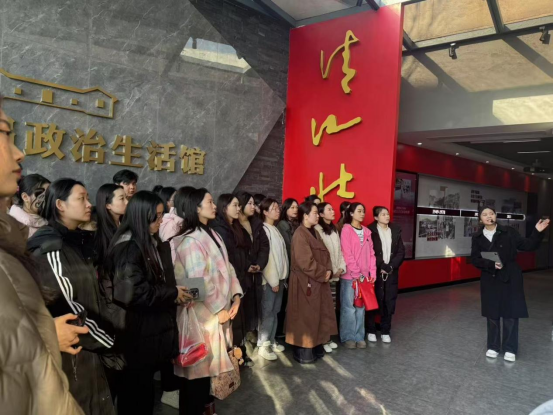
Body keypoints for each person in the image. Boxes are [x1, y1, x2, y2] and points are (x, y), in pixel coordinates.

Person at [0, 97, 84, 414]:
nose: (19, 153)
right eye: (4, 133)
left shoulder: (11, 245)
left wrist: (46, 332)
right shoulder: (43, 244)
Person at [27, 178, 116, 415]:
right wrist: (110, 342)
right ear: (60, 205)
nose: (89, 204)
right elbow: (69, 307)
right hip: (73, 353)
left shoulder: (77, 241)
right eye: (81, 198)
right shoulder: (51, 247)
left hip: (88, 351)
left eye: (88, 198)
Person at [103, 191, 189, 414]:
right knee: (136, 394)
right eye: (156, 216)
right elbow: (134, 293)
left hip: (148, 330)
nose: (160, 221)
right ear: (141, 216)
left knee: (144, 392)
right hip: (135, 332)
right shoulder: (128, 247)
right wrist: (171, 293)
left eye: (161, 215)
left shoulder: (149, 241)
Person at [173, 188, 243, 415]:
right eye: (210, 202)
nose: (214, 206)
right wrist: (217, 309)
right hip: (201, 319)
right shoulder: (189, 240)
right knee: (196, 377)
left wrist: (236, 294)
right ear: (195, 207)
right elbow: (196, 283)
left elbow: (228, 267)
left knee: (207, 378)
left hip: (218, 315)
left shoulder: (212, 233)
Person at [471, 207, 550, 363]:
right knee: (492, 312)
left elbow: (528, 245)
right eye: (485, 214)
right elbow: (475, 259)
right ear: (480, 219)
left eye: (491, 213)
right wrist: (491, 264)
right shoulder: (477, 237)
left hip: (510, 276)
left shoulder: (508, 232)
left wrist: (537, 232)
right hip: (490, 277)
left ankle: (510, 348)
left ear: (495, 216)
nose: (489, 216)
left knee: (511, 312)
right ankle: (493, 346)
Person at [286, 202, 337, 364]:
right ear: (305, 216)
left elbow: (326, 254)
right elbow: (305, 262)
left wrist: (328, 270)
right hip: (305, 282)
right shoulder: (300, 234)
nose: (317, 215)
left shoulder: (315, 232)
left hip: (318, 281)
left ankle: (316, 346)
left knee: (318, 316)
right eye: (314, 212)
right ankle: (304, 350)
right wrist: (324, 272)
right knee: (305, 318)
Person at [211, 194, 253, 365]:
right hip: (229, 282)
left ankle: (238, 355)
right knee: (231, 324)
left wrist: (248, 266)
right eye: (235, 205)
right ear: (224, 207)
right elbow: (227, 259)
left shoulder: (235, 226)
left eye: (239, 205)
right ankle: (234, 358)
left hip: (239, 278)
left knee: (239, 321)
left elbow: (243, 250)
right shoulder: (219, 229)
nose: (238, 208)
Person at [235, 191, 270, 351]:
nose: (253, 207)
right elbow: (236, 250)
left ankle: (251, 338)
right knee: (243, 308)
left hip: (255, 273)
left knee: (254, 307)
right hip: (241, 274)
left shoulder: (256, 223)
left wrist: (259, 264)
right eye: (249, 203)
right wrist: (247, 265)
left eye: (253, 203)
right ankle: (241, 346)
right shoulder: (233, 225)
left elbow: (264, 246)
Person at [340, 202, 377, 350]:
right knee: (348, 307)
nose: (362, 214)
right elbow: (347, 253)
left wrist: (372, 273)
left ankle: (359, 336)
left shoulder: (367, 232)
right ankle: (348, 337)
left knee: (361, 307)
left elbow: (372, 254)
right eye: (359, 211)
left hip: (364, 278)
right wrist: (356, 273)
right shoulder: (346, 230)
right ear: (351, 213)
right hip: (350, 276)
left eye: (363, 211)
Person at [367, 206, 406, 343]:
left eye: (387, 214)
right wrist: (382, 265)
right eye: (383, 214)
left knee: (389, 300)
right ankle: (371, 330)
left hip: (391, 272)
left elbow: (401, 252)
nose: (387, 216)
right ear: (376, 217)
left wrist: (390, 266)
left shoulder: (395, 230)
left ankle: (385, 330)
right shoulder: (370, 231)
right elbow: (370, 251)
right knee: (373, 300)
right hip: (376, 271)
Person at [258, 198, 289, 361]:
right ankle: (263, 345)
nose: (278, 210)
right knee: (268, 312)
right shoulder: (264, 229)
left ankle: (271, 340)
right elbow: (268, 259)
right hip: (271, 281)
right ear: (265, 212)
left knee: (275, 311)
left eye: (278, 208)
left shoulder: (274, 229)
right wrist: (274, 280)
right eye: (273, 208)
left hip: (279, 279)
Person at [315, 202, 346, 353]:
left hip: (334, 276)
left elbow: (339, 251)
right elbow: (320, 256)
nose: (333, 211)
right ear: (321, 214)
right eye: (329, 209)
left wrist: (340, 268)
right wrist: (329, 271)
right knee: (323, 308)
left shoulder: (334, 229)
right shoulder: (317, 230)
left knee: (331, 309)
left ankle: (327, 338)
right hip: (324, 276)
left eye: (332, 209)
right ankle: (322, 339)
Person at [276, 198, 299, 336]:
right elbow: (289, 247)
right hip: (289, 268)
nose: (295, 210)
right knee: (284, 301)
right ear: (285, 209)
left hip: (296, 267)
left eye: (296, 207)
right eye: (292, 207)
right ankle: (280, 331)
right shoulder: (282, 225)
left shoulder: (296, 224)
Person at [94, 184, 128, 275]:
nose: (127, 202)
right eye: (122, 199)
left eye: (126, 197)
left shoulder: (126, 224)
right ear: (108, 205)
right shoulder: (99, 231)